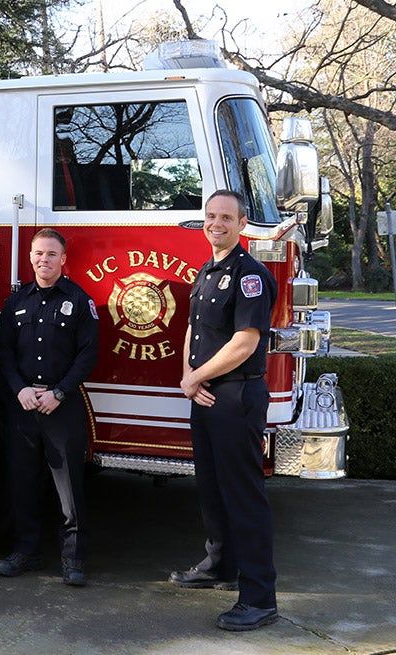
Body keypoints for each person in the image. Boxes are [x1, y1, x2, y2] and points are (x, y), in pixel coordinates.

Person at [170, 189, 279, 631]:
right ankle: (219, 566)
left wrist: (195, 379)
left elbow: (246, 342)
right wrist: (188, 378)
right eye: (211, 216)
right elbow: (194, 328)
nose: (216, 223)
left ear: (242, 223)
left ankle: (259, 598)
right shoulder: (208, 269)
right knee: (211, 488)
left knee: (243, 496)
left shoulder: (248, 274)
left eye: (226, 217)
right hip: (206, 395)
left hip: (236, 397)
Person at [0, 228, 99, 587]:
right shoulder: (16, 301)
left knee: (69, 488)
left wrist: (59, 392)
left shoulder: (79, 300)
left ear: (63, 259)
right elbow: (3, 352)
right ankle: (26, 552)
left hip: (61, 406)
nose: (44, 260)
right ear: (30, 258)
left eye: (51, 254)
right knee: (22, 483)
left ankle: (73, 559)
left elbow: (88, 355)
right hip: (23, 407)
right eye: (39, 254)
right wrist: (19, 389)